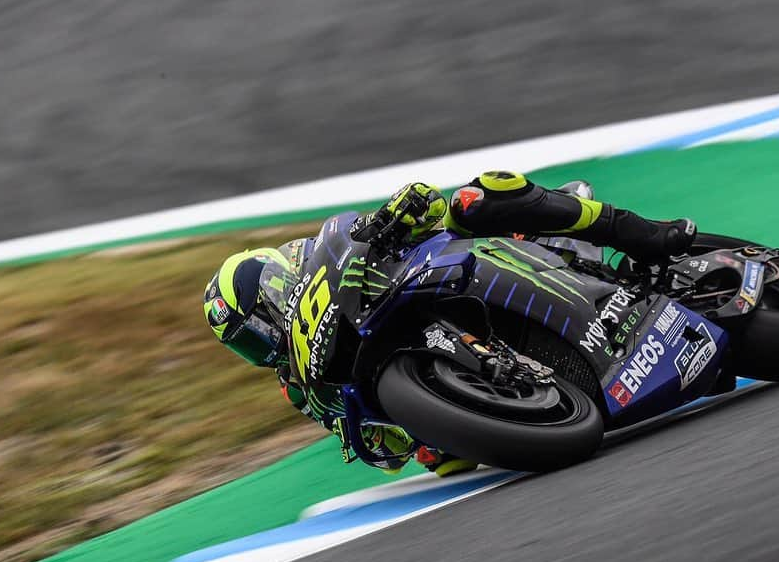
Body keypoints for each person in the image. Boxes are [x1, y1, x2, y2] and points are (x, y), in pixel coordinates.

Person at [203, 171, 696, 476]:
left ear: (272, 284)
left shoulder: (325, 255)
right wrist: (398, 435)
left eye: (257, 326)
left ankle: (643, 233)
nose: (262, 343)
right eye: (248, 345)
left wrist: (403, 211)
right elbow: (377, 448)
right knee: (445, 461)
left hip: (463, 264)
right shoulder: (303, 386)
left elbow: (422, 208)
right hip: (451, 377)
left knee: (478, 198)